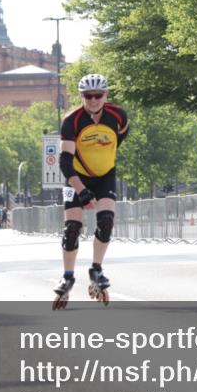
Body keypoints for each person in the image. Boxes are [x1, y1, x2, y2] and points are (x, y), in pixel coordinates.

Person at [52, 73, 130, 309]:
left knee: (106, 220)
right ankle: (67, 277)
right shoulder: (71, 121)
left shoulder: (118, 116)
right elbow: (65, 161)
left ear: (106, 95)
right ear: (82, 96)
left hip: (105, 175)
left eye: (98, 95)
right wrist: (82, 190)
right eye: (88, 96)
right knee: (72, 229)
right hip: (77, 177)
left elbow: (118, 139)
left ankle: (96, 270)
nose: (94, 100)